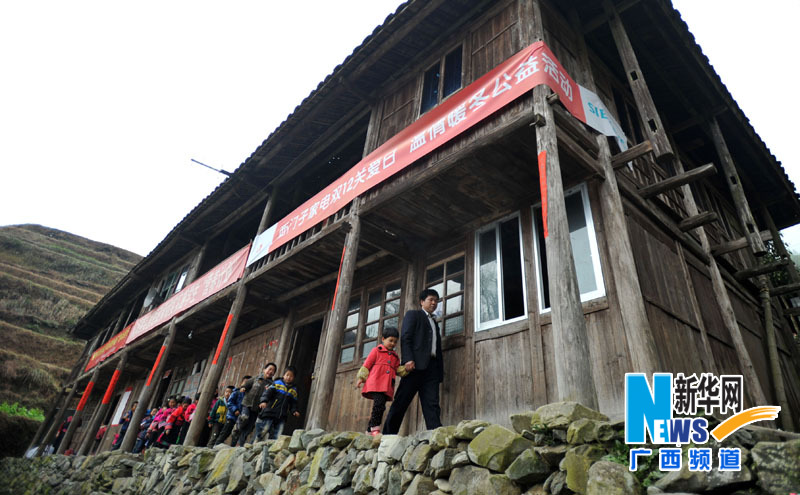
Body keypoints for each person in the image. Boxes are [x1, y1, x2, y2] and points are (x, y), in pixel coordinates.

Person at [383, 289, 443, 434]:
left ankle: (435, 435)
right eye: (431, 299)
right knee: (401, 401)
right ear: (422, 302)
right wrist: (408, 359)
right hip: (414, 366)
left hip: (432, 368)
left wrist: (439, 371)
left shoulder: (435, 323)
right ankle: (388, 435)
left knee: (432, 403)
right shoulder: (414, 315)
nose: (434, 303)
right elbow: (406, 337)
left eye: (436, 300)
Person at [357, 327, 407, 435]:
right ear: (383, 339)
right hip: (375, 383)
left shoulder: (395, 356)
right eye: (390, 340)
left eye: (395, 342)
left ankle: (369, 429)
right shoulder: (376, 351)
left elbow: (398, 369)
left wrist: (406, 369)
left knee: (381, 406)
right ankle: (375, 429)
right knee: (379, 404)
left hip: (386, 386)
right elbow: (367, 364)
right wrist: (361, 378)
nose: (393, 343)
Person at [232, 362, 277, 446]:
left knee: (249, 428)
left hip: (257, 408)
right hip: (247, 403)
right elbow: (247, 384)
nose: (271, 371)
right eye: (269, 369)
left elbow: (271, 396)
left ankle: (241, 444)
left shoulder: (271, 384)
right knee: (244, 417)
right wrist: (243, 388)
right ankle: (237, 428)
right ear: (264, 370)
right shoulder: (256, 378)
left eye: (273, 371)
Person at [256, 366, 300, 440]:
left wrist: (294, 411)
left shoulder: (293, 390)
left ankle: (271, 449)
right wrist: (264, 401)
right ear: (283, 375)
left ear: (294, 378)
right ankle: (255, 443)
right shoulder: (277, 383)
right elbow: (267, 393)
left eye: (291, 376)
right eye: (287, 375)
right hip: (270, 412)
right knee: (264, 429)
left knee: (278, 434)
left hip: (282, 416)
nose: (289, 377)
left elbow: (293, 403)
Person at [214, 377, 248, 446]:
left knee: (236, 435)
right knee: (225, 433)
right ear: (241, 383)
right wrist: (235, 410)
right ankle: (216, 445)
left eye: (248, 383)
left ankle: (232, 447)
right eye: (245, 382)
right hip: (232, 417)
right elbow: (230, 402)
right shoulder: (236, 392)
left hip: (240, 419)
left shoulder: (248, 395)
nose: (246, 384)